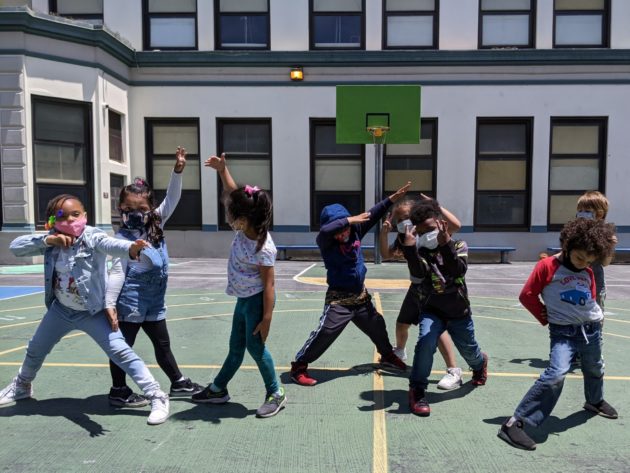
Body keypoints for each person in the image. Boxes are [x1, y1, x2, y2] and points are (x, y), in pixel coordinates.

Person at [0, 194, 170, 425]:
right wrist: (50, 241)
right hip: (60, 310)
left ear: (85, 216)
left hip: (92, 312)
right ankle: (22, 386)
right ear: (52, 220)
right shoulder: (52, 238)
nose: (70, 220)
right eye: (62, 216)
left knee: (121, 352)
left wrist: (132, 248)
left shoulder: (92, 236)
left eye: (75, 214)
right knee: (35, 349)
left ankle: (156, 396)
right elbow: (16, 247)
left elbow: (111, 244)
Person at [498, 218, 618, 451]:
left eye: (589, 261)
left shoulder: (588, 270)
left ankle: (594, 401)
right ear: (568, 246)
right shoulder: (547, 266)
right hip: (563, 332)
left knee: (595, 367)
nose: (583, 264)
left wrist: (596, 317)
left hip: (590, 330)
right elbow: (527, 295)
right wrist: (546, 317)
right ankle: (514, 424)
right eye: (579, 257)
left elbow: (590, 295)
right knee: (556, 374)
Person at [104, 147, 203, 408]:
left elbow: (172, 198)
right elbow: (116, 274)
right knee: (123, 346)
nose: (135, 212)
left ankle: (178, 382)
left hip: (155, 300)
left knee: (162, 343)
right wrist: (111, 304)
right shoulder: (121, 239)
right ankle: (118, 390)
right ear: (120, 208)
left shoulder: (156, 224)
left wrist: (178, 171)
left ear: (150, 209)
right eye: (128, 208)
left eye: (141, 207)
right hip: (131, 301)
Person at [193, 153, 286, 418]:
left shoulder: (263, 248)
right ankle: (218, 389)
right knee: (235, 348)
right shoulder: (245, 226)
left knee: (255, 348)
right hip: (244, 300)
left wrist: (267, 319)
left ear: (244, 218)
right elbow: (233, 193)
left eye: (230, 212)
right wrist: (223, 170)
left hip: (257, 301)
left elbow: (269, 285)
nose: (227, 213)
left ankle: (276, 392)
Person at [289, 183, 411, 387]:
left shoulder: (355, 231)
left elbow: (372, 214)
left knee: (377, 326)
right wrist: (348, 220)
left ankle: (388, 355)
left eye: (346, 228)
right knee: (326, 332)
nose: (343, 233)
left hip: (361, 298)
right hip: (339, 300)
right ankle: (299, 366)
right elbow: (326, 230)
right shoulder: (325, 241)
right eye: (340, 228)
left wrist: (391, 199)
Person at [403, 199, 488, 417]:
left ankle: (479, 364)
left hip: (458, 310)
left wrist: (445, 244)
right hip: (432, 309)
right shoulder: (420, 252)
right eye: (422, 232)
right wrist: (411, 249)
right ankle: (418, 390)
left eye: (431, 229)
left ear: (442, 224)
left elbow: (457, 271)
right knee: (425, 341)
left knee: (469, 350)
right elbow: (419, 275)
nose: (428, 235)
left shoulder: (458, 246)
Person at [379, 195, 464, 390]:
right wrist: (384, 233)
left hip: (436, 289)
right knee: (402, 323)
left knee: (437, 329)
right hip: (417, 287)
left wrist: (437, 206)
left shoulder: (431, 232)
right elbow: (386, 255)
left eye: (406, 217)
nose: (403, 222)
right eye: (399, 220)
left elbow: (456, 225)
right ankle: (399, 352)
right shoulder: (404, 237)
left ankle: (453, 370)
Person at [576, 191, 616, 309]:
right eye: (580, 210)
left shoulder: (605, 232)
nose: (582, 214)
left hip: (596, 282)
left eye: (588, 211)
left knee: (596, 315)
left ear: (599, 214)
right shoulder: (574, 230)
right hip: (574, 280)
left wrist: (610, 247)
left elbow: (605, 262)